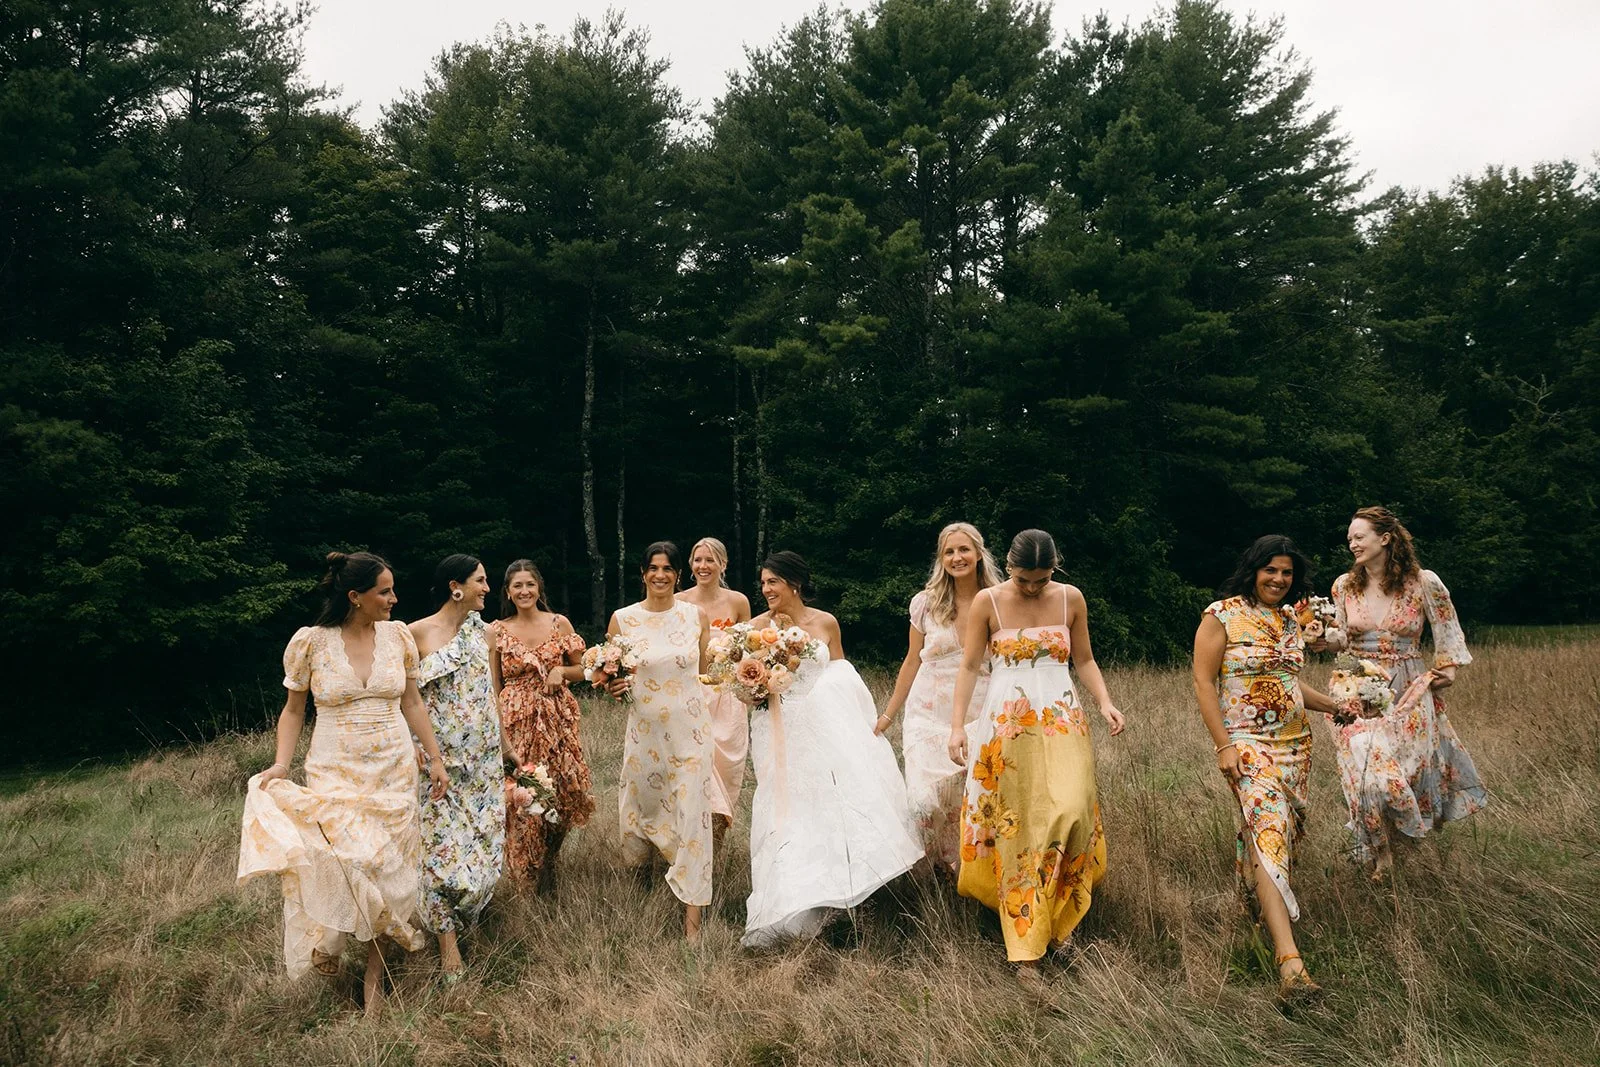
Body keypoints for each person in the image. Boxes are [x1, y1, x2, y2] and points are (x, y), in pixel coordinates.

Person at [239, 551, 450, 1016]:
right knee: (344, 860)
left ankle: (374, 985)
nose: (394, 599)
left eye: (393, 589)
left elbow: (413, 702)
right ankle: (330, 937)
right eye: (385, 591)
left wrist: (434, 758)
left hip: (394, 768)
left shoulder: (398, 637)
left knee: (389, 875)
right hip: (334, 766)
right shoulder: (310, 642)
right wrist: (279, 764)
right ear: (355, 597)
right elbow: (294, 710)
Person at [948, 530, 1125, 982]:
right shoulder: (988, 601)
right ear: (1009, 568)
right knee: (1017, 825)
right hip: (1007, 726)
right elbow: (970, 666)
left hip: (1063, 719)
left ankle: (1060, 921)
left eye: (1041, 580)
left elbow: (1083, 659)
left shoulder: (1070, 599)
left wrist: (1104, 701)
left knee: (1071, 811)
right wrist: (956, 728)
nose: (1032, 588)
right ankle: (1026, 945)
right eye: (1025, 580)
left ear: (1055, 570)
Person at [742, 551, 925, 948]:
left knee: (832, 806)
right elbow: (744, 689)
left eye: (772, 581)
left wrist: (856, 726)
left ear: (794, 583)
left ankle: (840, 896)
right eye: (763, 582)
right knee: (787, 810)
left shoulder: (825, 622)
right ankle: (790, 906)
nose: (766, 589)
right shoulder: (755, 630)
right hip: (780, 731)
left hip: (825, 730)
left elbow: (842, 675)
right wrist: (756, 689)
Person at [1193, 535, 1345, 1003]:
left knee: (1281, 839)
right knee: (1268, 832)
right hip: (1246, 743)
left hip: (1296, 746)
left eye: (1286, 573)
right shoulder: (1221, 614)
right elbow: (1202, 680)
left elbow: (1290, 684)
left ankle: (1255, 908)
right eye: (1271, 570)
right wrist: (1223, 746)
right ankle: (1291, 965)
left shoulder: (1287, 620)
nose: (1279, 580)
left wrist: (1338, 706)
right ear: (1253, 569)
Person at [1319, 506, 1488, 877]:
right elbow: (1341, 638)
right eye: (1349, 538)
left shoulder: (1422, 582)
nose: (1352, 544)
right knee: (1366, 769)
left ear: (1385, 538)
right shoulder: (1343, 586)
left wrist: (1448, 666)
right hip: (1355, 687)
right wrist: (1322, 639)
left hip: (1408, 686)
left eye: (1359, 537)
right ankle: (1379, 851)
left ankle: (1401, 847)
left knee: (1405, 770)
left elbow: (1446, 625)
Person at [600, 541, 715, 941]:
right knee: (643, 811)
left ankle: (693, 926)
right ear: (643, 573)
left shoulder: (694, 616)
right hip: (645, 735)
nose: (660, 575)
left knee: (693, 816)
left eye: (668, 569)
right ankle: (640, 895)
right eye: (653, 568)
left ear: (678, 575)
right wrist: (612, 687)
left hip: (691, 734)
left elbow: (708, 673)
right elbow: (609, 675)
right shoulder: (623, 620)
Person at [875, 522, 1000, 873]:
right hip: (927, 711)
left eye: (964, 550)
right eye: (949, 551)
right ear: (940, 558)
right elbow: (912, 659)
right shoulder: (926, 603)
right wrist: (887, 715)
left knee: (972, 797)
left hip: (980, 709)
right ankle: (927, 872)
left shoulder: (999, 599)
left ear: (978, 553)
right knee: (924, 802)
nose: (957, 557)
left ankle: (967, 875)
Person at [407, 554, 504, 979]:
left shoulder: (486, 635)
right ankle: (448, 948)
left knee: (483, 853)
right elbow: (403, 698)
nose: (488, 587)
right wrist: (419, 751)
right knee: (439, 856)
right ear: (455, 586)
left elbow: (493, 696)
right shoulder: (415, 634)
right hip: (436, 765)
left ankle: (471, 923)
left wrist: (508, 748)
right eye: (481, 580)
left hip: (483, 764)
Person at [489, 559, 594, 892]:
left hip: (557, 721)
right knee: (523, 800)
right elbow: (493, 685)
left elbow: (586, 669)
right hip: (517, 722)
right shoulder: (497, 631)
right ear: (508, 591)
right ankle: (525, 883)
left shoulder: (558, 624)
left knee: (562, 795)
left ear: (539, 588)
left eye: (529, 585)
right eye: (517, 586)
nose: (524, 591)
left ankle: (550, 862)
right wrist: (499, 732)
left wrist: (560, 671)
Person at [676, 536, 753, 843]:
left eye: (710, 560)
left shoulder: (738, 601)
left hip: (728, 696)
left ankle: (715, 845)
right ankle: (688, 842)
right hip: (691, 695)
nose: (703, 566)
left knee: (726, 772)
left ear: (723, 564)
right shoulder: (679, 601)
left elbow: (750, 648)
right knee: (696, 771)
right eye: (698, 560)